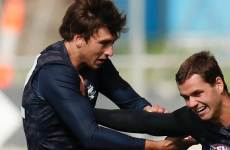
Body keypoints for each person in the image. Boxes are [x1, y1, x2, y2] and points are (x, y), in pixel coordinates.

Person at [21, 0, 179, 149]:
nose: (110, 52)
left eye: (112, 43)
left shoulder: (95, 61)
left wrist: (151, 113)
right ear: (79, 39)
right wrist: (154, 146)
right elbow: (90, 135)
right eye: (104, 43)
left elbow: (130, 101)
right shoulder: (53, 71)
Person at [93, 51, 230, 150]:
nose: (191, 103)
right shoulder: (194, 121)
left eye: (197, 94)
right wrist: (86, 113)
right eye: (185, 97)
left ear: (218, 84)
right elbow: (145, 123)